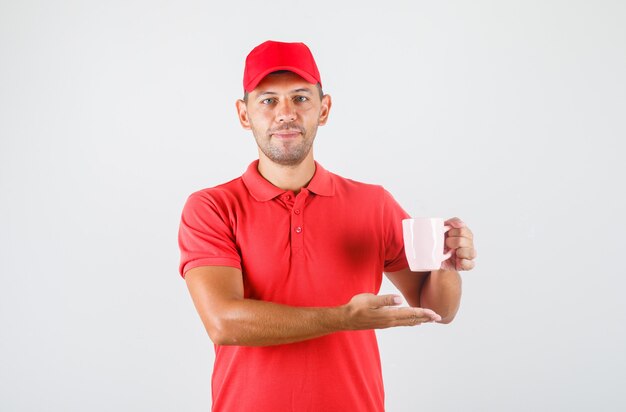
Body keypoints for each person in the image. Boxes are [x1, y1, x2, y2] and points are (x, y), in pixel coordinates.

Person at [178, 40, 477, 412]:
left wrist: (444, 266)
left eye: (301, 98)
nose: (285, 113)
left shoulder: (373, 203)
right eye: (268, 100)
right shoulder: (213, 207)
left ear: (324, 109)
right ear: (244, 114)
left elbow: (438, 308)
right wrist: (343, 319)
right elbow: (224, 322)